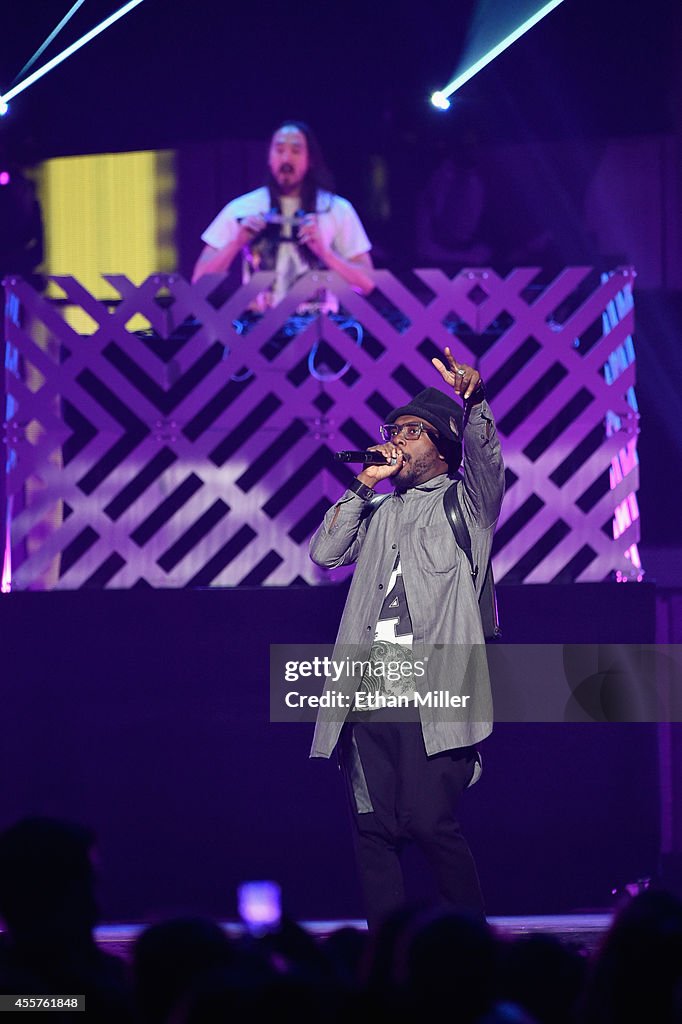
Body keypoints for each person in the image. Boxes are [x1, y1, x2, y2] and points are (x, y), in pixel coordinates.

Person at [309, 348, 504, 929]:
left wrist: (474, 403)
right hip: (369, 685)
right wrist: (363, 485)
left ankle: (469, 941)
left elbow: (487, 463)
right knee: (373, 828)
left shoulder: (465, 505)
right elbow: (324, 554)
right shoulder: (380, 508)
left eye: (412, 432)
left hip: (435, 688)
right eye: (393, 429)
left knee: (428, 822)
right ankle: (386, 955)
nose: (397, 439)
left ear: (442, 446)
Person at [192, 121, 373, 309]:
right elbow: (200, 282)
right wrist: (236, 243)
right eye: (279, 150)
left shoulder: (336, 209)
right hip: (260, 332)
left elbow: (367, 284)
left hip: (323, 332)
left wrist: (326, 254)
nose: (286, 158)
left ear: (310, 159)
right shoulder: (241, 209)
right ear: (269, 157)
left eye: (295, 151)